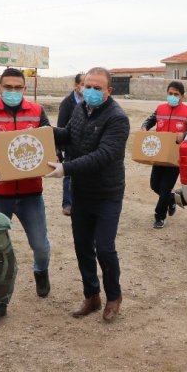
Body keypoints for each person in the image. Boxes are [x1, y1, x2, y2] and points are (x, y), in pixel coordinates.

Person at [0, 67, 52, 327]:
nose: (13, 92)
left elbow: (49, 140)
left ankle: (41, 271)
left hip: (31, 193)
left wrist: (53, 157)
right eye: (8, 87)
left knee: (40, 245)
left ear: (25, 89)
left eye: (18, 87)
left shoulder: (37, 112)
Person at [47, 67, 130, 322]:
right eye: (87, 86)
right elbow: (68, 135)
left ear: (108, 91)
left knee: (104, 248)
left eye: (97, 88)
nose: (91, 91)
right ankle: (91, 296)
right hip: (81, 191)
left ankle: (113, 297)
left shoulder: (117, 118)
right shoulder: (80, 109)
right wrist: (43, 132)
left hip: (107, 193)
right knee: (82, 246)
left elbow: (103, 156)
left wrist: (66, 168)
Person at [140, 80, 187, 229]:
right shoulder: (160, 109)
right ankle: (171, 199)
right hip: (159, 154)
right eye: (170, 93)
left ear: (182, 96)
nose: (172, 96)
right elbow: (150, 121)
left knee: (165, 187)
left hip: (175, 157)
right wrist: (144, 127)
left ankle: (159, 216)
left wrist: (184, 134)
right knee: (154, 185)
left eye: (176, 94)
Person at [56, 73, 85, 216]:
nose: (86, 88)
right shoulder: (67, 103)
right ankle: (67, 204)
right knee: (68, 175)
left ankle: (80, 203)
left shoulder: (90, 102)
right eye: (84, 84)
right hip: (71, 147)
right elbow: (61, 127)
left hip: (86, 147)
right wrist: (59, 150)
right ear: (76, 85)